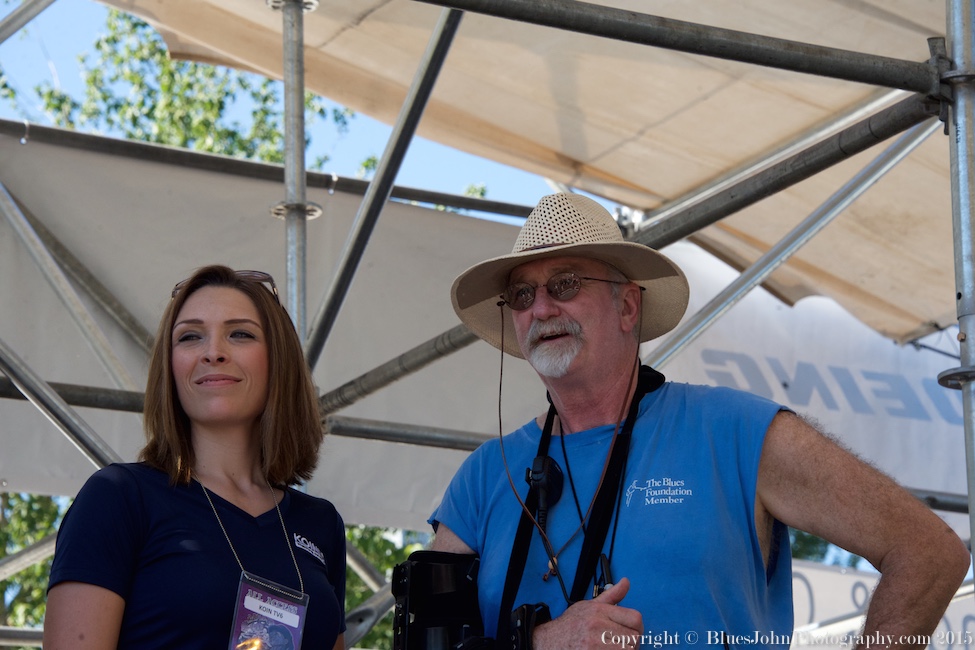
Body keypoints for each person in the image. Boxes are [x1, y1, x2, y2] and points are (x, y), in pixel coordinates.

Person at [429, 193, 969, 649]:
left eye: (565, 283)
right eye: (522, 294)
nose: (542, 308)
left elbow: (928, 551)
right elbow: (424, 635)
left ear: (627, 309)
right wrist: (542, 642)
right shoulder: (483, 477)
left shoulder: (734, 432)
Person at [43, 265, 346, 650]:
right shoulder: (119, 497)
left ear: (278, 361)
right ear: (170, 368)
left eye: (240, 334)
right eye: (190, 337)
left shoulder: (321, 523)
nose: (213, 352)